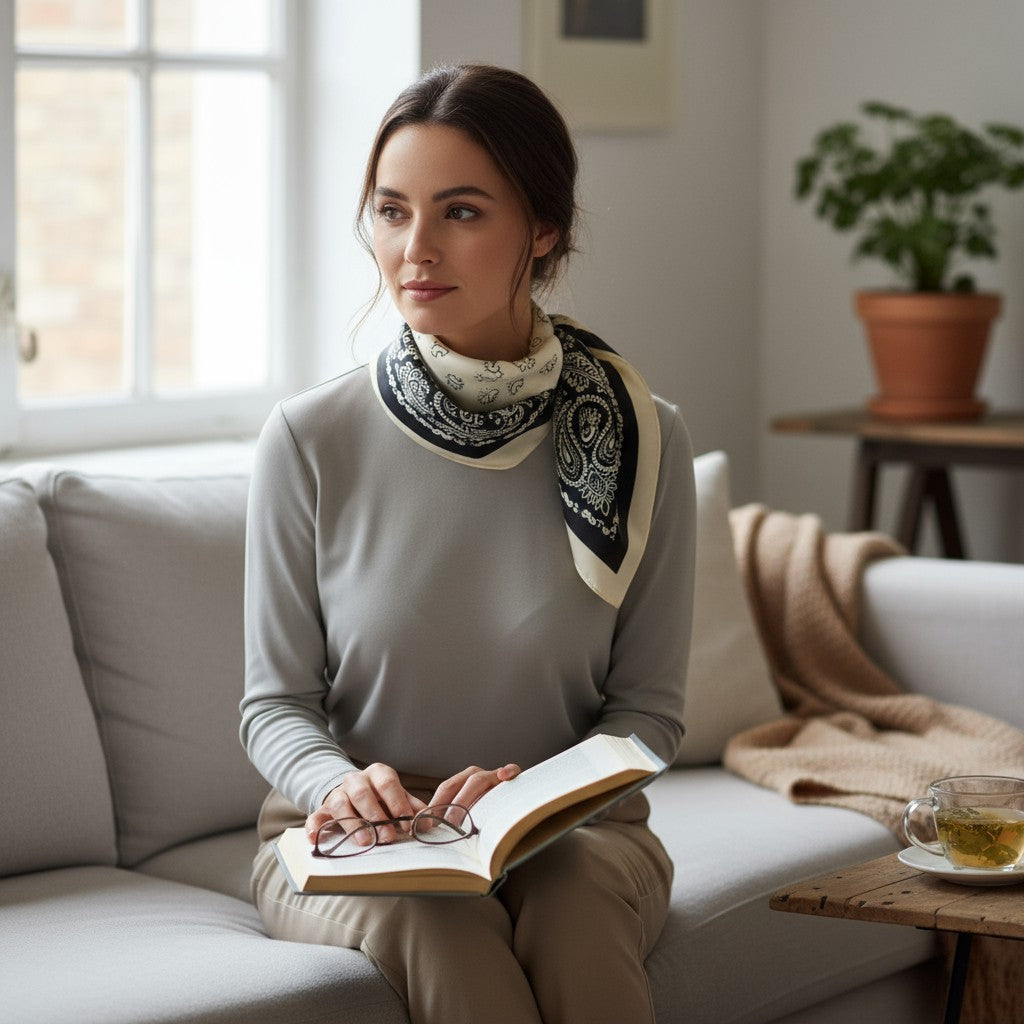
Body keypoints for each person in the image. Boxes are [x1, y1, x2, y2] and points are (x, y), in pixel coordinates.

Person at [240, 63, 696, 1024]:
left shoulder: (644, 437)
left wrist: (533, 796)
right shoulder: (308, 439)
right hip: (353, 840)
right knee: (449, 936)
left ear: (544, 229)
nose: (415, 249)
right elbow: (274, 706)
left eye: (460, 212)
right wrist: (343, 786)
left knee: (573, 914)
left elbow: (647, 714)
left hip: (578, 830)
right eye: (391, 210)